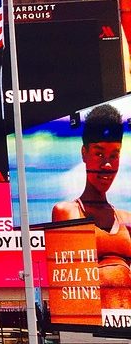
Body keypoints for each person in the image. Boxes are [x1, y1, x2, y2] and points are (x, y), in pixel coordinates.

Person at [52, 104, 131, 309]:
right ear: (84, 153)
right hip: (92, 325)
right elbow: (68, 283)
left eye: (114, 155)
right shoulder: (67, 212)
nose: (107, 164)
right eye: (99, 153)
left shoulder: (127, 219)